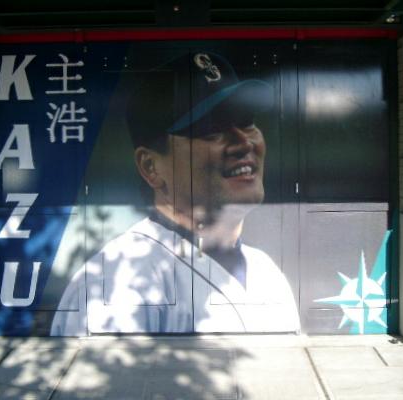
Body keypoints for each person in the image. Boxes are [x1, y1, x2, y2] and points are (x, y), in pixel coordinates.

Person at [51, 52, 300, 335]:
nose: (243, 143)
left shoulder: (267, 272)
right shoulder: (118, 281)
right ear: (151, 166)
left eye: (245, 121)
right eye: (211, 130)